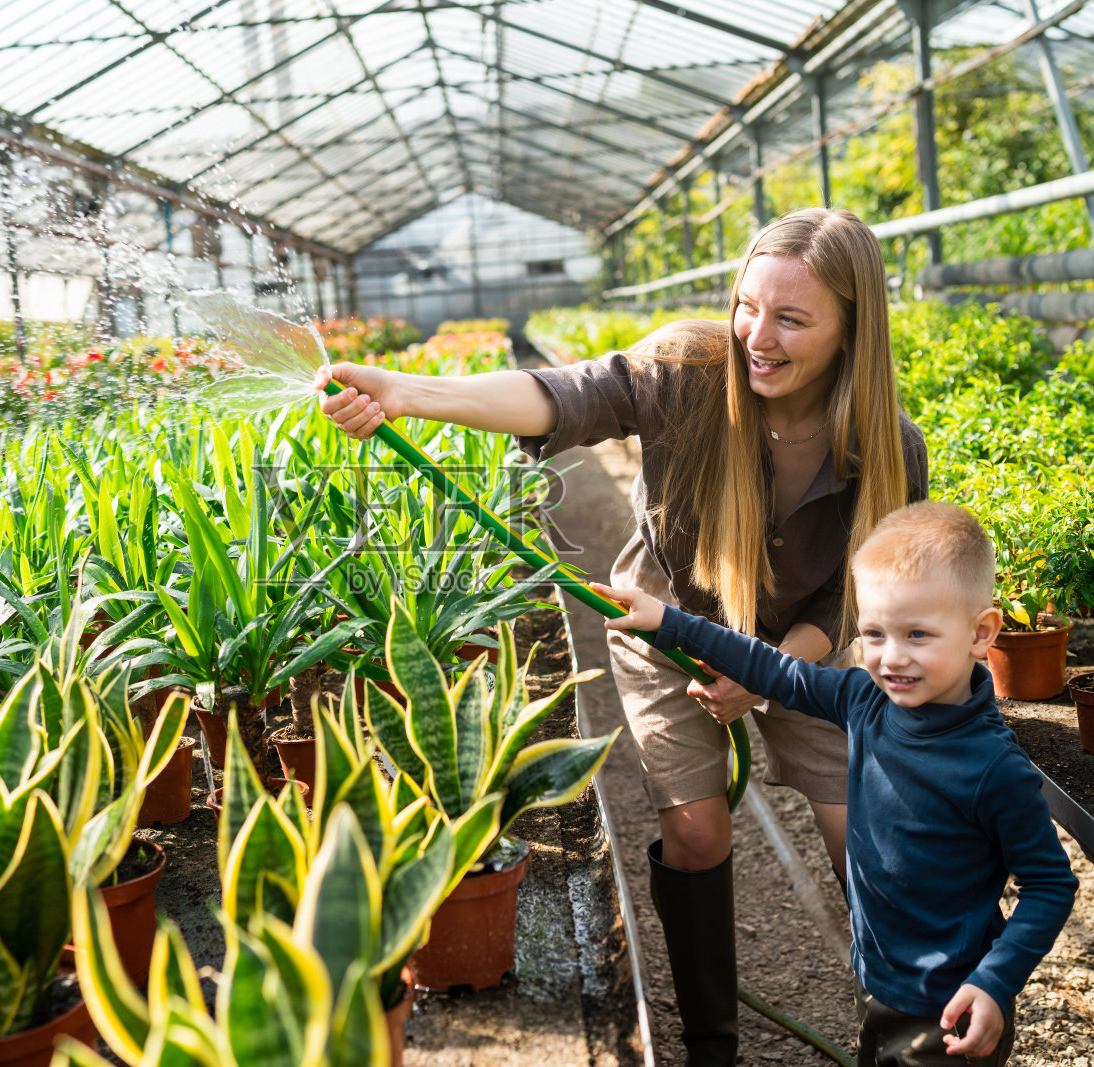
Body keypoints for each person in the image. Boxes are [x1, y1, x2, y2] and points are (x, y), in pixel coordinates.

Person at [316, 207, 927, 1063]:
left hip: (798, 654)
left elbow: (848, 598)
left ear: (851, 331)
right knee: (698, 831)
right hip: (661, 625)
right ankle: (712, 1045)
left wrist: (766, 671)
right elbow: (559, 394)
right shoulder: (686, 371)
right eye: (748, 305)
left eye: (791, 318)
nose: (757, 336)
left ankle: (906, 1034)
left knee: (862, 831)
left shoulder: (889, 447)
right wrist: (406, 392)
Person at [592, 500, 1078, 1066]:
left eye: (917, 634)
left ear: (980, 633)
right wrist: (668, 621)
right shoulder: (864, 700)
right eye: (874, 634)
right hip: (876, 983)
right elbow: (773, 669)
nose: (892, 658)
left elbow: (1049, 884)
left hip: (949, 1009)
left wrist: (994, 982)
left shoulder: (993, 768)